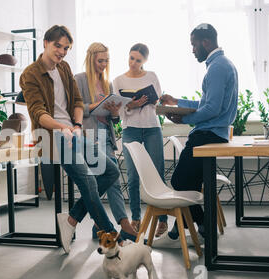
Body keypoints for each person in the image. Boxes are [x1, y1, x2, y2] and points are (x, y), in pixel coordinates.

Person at [19, 25, 122, 254]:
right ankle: (115, 237)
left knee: (111, 171)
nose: (62, 52)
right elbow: (38, 113)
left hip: (72, 133)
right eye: (58, 46)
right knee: (89, 181)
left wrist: (75, 126)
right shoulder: (30, 74)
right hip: (50, 136)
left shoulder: (64, 68)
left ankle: (72, 219)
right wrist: (62, 127)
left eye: (66, 48)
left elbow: (76, 101)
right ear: (46, 42)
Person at [153, 23, 238, 248]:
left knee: (179, 181)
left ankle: (202, 226)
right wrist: (177, 103)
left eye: (194, 44)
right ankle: (182, 229)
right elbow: (206, 103)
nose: (192, 50)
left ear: (205, 42)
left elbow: (212, 110)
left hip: (206, 135)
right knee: (190, 184)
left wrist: (184, 119)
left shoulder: (217, 68)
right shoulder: (221, 64)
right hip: (212, 133)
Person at [74, 42, 138, 241]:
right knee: (101, 182)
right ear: (91, 59)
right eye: (100, 60)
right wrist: (94, 106)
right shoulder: (79, 80)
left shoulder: (107, 83)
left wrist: (114, 113)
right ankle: (123, 225)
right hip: (89, 137)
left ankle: (100, 226)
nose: (103, 64)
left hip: (105, 136)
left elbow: (114, 120)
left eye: (106, 61)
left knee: (111, 180)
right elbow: (74, 108)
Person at [112, 43, 168, 237]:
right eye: (131, 58)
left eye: (138, 60)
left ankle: (162, 220)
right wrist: (132, 105)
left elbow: (158, 100)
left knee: (157, 173)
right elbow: (119, 109)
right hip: (130, 130)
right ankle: (135, 218)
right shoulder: (118, 81)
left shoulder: (151, 76)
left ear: (145, 61)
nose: (134, 63)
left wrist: (153, 100)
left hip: (152, 128)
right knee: (134, 176)